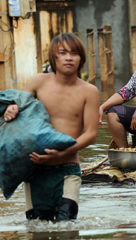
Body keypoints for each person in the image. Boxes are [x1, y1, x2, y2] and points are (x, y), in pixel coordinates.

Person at [3, 33, 100, 221]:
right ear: (53, 57)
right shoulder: (39, 81)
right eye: (63, 53)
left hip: (67, 169)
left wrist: (61, 155)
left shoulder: (89, 91)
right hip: (34, 169)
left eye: (74, 53)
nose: (69, 57)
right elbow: (19, 106)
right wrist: (11, 107)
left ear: (81, 58)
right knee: (36, 226)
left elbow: (91, 134)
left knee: (67, 225)